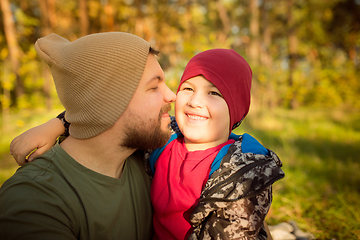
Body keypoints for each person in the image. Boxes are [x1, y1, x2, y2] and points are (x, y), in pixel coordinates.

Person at [10, 49, 285, 239]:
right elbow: (113, 112)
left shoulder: (242, 168)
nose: (194, 101)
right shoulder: (165, 141)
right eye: (188, 88)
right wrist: (56, 124)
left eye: (214, 93)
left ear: (235, 111)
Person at [0, 32, 176, 240]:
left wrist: (59, 124)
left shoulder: (151, 158)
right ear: (109, 106)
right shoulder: (34, 200)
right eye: (154, 87)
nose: (172, 95)